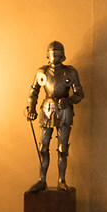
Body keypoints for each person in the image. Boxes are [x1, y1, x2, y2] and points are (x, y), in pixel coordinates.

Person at [26, 40, 85, 191]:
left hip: (64, 110)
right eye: (52, 54)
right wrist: (31, 108)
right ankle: (42, 179)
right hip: (47, 109)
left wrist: (69, 100)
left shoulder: (70, 72)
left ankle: (61, 180)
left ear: (62, 55)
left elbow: (79, 94)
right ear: (48, 55)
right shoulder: (42, 72)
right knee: (43, 147)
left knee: (62, 148)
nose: (54, 57)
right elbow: (34, 91)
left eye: (57, 54)